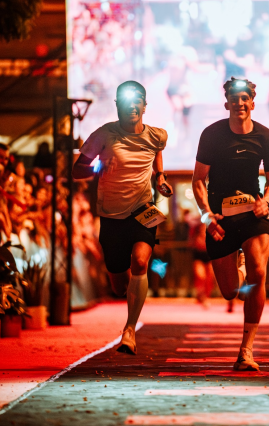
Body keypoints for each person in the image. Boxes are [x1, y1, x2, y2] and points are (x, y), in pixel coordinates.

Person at [72, 80, 173, 355]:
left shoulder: (158, 135)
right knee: (119, 286)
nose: (132, 106)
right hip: (111, 216)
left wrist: (160, 178)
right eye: (126, 101)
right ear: (117, 106)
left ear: (144, 105)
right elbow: (77, 171)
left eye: (137, 101)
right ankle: (128, 295)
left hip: (142, 210)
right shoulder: (103, 135)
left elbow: (156, 154)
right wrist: (99, 167)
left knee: (140, 262)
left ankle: (129, 330)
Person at [191, 77, 269, 372]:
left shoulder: (266, 136)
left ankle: (246, 350)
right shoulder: (211, 135)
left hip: (254, 214)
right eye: (234, 98)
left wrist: (267, 201)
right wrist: (207, 215)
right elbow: (198, 181)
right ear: (226, 103)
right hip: (220, 218)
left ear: (252, 103)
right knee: (230, 292)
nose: (239, 103)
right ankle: (239, 266)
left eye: (244, 98)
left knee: (259, 269)